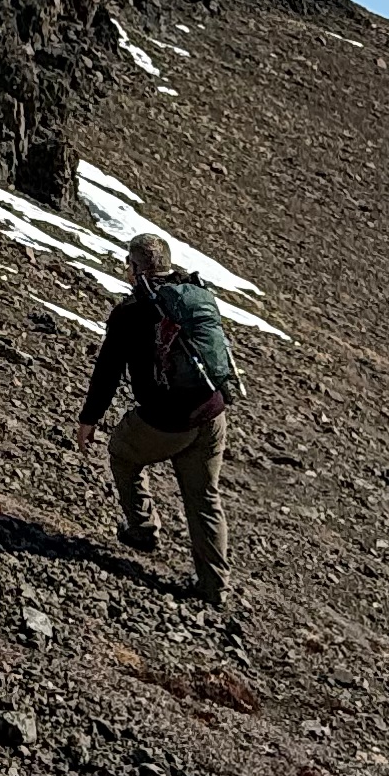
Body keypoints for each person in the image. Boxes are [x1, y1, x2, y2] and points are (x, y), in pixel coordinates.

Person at [76, 230, 235, 605]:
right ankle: (214, 588)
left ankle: (143, 529)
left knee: (123, 452)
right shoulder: (193, 296)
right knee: (204, 498)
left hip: (167, 421)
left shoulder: (131, 313)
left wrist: (89, 419)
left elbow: (108, 371)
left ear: (134, 268)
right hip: (212, 416)